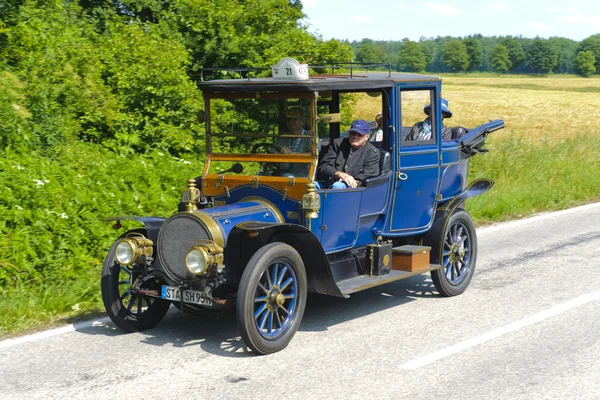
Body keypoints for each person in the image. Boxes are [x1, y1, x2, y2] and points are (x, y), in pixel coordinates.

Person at [317, 119, 380, 189]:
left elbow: (367, 175)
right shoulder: (338, 144)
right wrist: (339, 174)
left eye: (359, 134)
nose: (355, 137)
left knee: (337, 186)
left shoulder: (372, 152)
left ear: (367, 136)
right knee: (311, 186)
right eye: (353, 133)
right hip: (330, 181)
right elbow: (324, 166)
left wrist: (349, 180)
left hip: (352, 188)